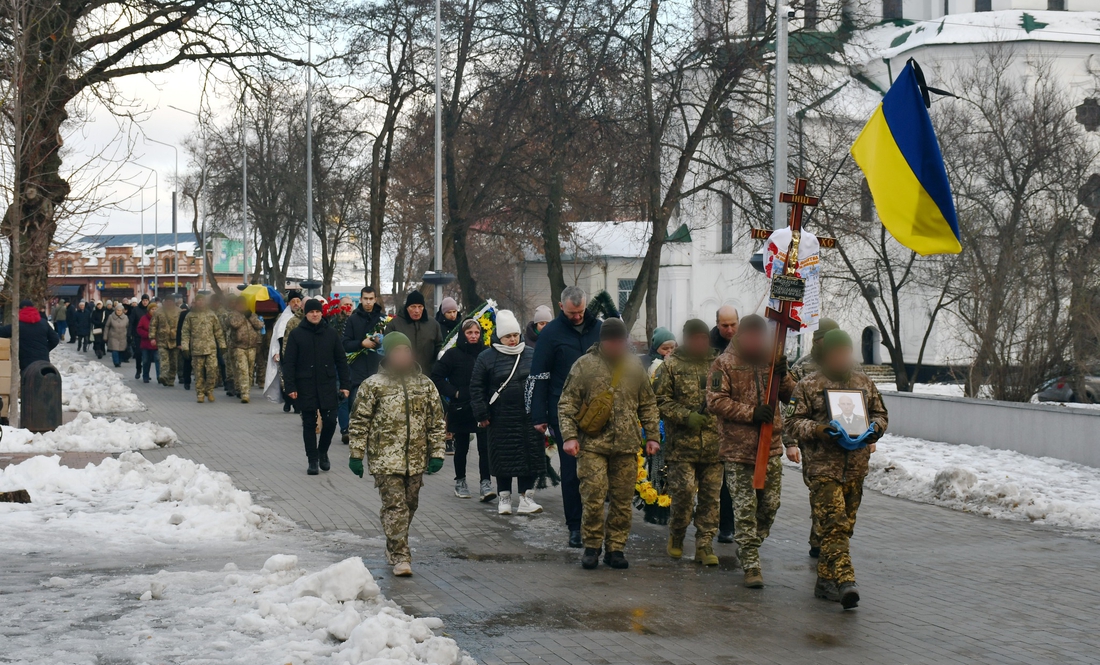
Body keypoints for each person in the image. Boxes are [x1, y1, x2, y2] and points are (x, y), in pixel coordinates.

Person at [787, 329, 888, 610]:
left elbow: (881, 414)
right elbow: (793, 422)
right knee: (834, 527)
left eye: (846, 352)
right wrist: (819, 429)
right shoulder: (809, 384)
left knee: (847, 526)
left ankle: (825, 581)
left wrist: (873, 430)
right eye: (836, 353)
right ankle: (846, 581)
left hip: (855, 466)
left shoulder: (863, 382)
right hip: (823, 468)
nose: (842, 358)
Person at [557, 317, 660, 570]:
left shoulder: (634, 366)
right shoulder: (584, 366)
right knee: (593, 495)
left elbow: (648, 404)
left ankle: (616, 548)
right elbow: (566, 403)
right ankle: (592, 546)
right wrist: (569, 436)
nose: (617, 345)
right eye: (612, 340)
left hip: (626, 447)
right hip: (592, 445)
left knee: (622, 500)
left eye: (620, 340)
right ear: (603, 341)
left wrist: (653, 436)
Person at [706, 314, 794, 589]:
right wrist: (751, 413)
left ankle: (749, 545)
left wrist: (784, 373)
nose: (756, 342)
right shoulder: (725, 363)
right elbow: (716, 401)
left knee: (769, 507)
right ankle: (751, 564)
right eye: (751, 337)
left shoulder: (771, 359)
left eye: (760, 337)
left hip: (771, 448)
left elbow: (793, 396)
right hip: (738, 449)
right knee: (745, 509)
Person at [348, 332, 446, 577]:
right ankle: (401, 556)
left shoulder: (425, 385)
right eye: (397, 351)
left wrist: (437, 453)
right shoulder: (373, 385)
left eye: (405, 350)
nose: (402, 356)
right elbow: (359, 421)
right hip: (385, 459)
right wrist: (356, 454)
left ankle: (393, 545)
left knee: (409, 505)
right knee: (395, 507)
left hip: (415, 459)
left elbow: (436, 422)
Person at [529, 286, 603, 548]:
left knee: (599, 471)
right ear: (562, 308)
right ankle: (575, 526)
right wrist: (539, 415)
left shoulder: (599, 328)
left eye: (581, 311)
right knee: (571, 471)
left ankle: (596, 522)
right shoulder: (550, 334)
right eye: (572, 313)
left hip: (600, 410)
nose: (577, 317)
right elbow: (538, 376)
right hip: (564, 410)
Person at [653, 319, 722, 566]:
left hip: (714, 447)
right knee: (682, 495)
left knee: (711, 499)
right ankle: (677, 534)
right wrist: (686, 416)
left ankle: (705, 544)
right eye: (695, 338)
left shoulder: (720, 365)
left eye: (704, 338)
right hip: (682, 447)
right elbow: (659, 400)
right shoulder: (671, 366)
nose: (700, 343)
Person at [469, 310, 547, 515]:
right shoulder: (486, 357)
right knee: (504, 458)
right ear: (499, 336)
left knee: (529, 458)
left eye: (515, 335)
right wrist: (482, 414)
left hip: (529, 417)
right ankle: (504, 497)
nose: (513, 340)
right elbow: (476, 388)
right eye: (508, 336)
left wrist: (542, 411)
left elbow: (540, 382)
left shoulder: (531, 353)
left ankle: (526, 498)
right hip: (500, 418)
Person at [784, 316, 840, 558]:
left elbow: (864, 401)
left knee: (841, 492)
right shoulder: (802, 368)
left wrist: (870, 438)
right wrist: (790, 442)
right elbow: (789, 407)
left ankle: (828, 536)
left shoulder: (849, 366)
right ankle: (821, 539)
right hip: (813, 443)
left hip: (844, 442)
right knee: (821, 490)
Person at [284, 298, 351, 475]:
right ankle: (312, 460)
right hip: (305, 385)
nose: (315, 314)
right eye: (311, 312)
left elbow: (341, 360)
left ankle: (323, 452)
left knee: (330, 421)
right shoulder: (297, 334)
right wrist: (290, 386)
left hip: (327, 384)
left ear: (322, 313)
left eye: (317, 311)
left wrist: (345, 384)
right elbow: (289, 362)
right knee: (308, 423)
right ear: (306, 313)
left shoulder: (330, 334)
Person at [431, 318, 491, 500]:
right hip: (460, 408)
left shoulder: (486, 353)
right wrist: (454, 393)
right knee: (462, 447)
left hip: (482, 407)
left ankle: (485, 483)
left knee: (484, 447)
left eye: (477, 333)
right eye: (469, 332)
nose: (473, 336)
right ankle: (460, 480)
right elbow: (437, 376)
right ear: (463, 334)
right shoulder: (453, 354)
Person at [340, 286, 386, 443]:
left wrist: (381, 342)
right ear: (360, 300)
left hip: (378, 369)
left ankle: (375, 436)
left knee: (379, 406)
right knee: (357, 404)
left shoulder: (383, 319)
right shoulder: (352, 319)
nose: (368, 302)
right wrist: (361, 343)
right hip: (358, 371)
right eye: (365, 299)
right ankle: (358, 435)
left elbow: (391, 343)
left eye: (371, 299)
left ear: (375, 299)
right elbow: (345, 344)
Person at [710, 305, 739, 544]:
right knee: (717, 481)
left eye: (733, 325)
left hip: (738, 423)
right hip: (712, 424)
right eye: (724, 325)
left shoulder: (745, 346)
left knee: (735, 479)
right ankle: (722, 525)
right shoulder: (709, 347)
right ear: (717, 324)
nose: (729, 330)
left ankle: (733, 524)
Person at [180, 294, 226, 404]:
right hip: (196, 349)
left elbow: (218, 331)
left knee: (212, 371)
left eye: (202, 300)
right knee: (198, 373)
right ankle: (200, 393)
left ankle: (209, 391)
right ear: (195, 302)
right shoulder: (190, 316)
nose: (200, 302)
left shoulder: (211, 315)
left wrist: (222, 345)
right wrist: (185, 347)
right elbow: (185, 332)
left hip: (211, 349)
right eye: (198, 300)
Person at [385, 290, 443, 375]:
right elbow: (387, 352)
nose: (417, 310)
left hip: (427, 375)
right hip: (400, 376)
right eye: (413, 306)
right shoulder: (394, 325)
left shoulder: (433, 324)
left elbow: (439, 346)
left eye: (420, 307)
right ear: (407, 307)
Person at [265, 289, 303, 408]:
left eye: (298, 301)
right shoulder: (283, 318)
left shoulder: (304, 317)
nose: (296, 304)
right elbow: (277, 336)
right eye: (293, 301)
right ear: (288, 304)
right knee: (285, 378)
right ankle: (288, 400)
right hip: (285, 352)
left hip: (300, 353)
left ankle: (297, 404)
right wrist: (276, 352)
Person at [0, 299, 61, 372]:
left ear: (21, 309)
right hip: (43, 360)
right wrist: (45, 349)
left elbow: (2, 332)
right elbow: (55, 339)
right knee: (43, 380)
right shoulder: (43, 323)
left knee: (28, 381)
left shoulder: (18, 325)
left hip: (26, 361)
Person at [225, 296, 264, 403]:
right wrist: (243, 317)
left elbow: (260, 325)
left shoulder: (251, 314)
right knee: (243, 370)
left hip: (252, 346)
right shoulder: (232, 314)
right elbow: (233, 324)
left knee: (250, 370)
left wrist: (250, 316)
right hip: (238, 347)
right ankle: (244, 394)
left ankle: (242, 389)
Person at [150, 298, 181, 387]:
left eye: (170, 301)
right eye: (167, 302)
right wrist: (152, 337)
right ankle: (163, 376)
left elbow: (183, 326)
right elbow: (153, 325)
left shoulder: (178, 311)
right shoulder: (158, 312)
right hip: (162, 340)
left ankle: (171, 379)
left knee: (173, 362)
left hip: (174, 340)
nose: (169, 303)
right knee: (164, 359)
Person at [137, 302, 160, 383]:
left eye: (155, 309)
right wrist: (148, 335)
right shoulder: (144, 318)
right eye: (152, 309)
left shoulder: (159, 318)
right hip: (146, 343)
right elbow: (139, 329)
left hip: (157, 344)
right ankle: (145, 376)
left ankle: (159, 377)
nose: (154, 311)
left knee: (158, 360)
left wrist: (156, 337)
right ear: (149, 310)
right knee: (146, 360)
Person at [128, 294, 150, 378]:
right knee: (138, 353)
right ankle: (138, 369)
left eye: (146, 301)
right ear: (141, 300)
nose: (145, 302)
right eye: (144, 300)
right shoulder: (136, 310)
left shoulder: (150, 309)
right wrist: (129, 334)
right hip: (138, 335)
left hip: (148, 336)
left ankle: (146, 373)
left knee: (147, 355)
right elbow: (131, 322)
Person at [176, 302, 192, 390]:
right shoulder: (184, 315)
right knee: (187, 362)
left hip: (200, 344)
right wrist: (179, 343)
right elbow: (179, 329)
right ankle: (186, 380)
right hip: (186, 343)